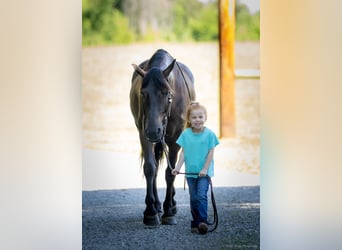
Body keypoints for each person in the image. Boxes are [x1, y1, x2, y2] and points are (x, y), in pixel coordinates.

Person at [172, 102, 219, 234]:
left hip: (204, 173)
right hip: (190, 173)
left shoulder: (209, 134)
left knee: (201, 196)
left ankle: (202, 221)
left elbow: (211, 152)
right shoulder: (186, 134)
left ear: (205, 118)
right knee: (193, 198)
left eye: (200, 117)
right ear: (189, 119)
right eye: (194, 117)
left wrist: (205, 169)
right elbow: (183, 153)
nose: (197, 120)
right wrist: (177, 167)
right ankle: (195, 222)